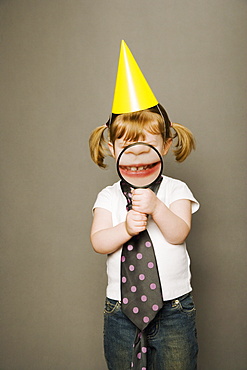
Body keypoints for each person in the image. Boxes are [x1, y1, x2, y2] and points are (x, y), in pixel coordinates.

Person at [89, 41, 199, 369]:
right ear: (111, 148)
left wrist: (157, 208)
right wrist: (124, 228)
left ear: (165, 145)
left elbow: (179, 233)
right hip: (120, 310)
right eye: (126, 144)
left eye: (148, 144)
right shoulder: (109, 196)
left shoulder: (176, 189)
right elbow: (98, 242)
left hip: (174, 308)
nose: (136, 152)